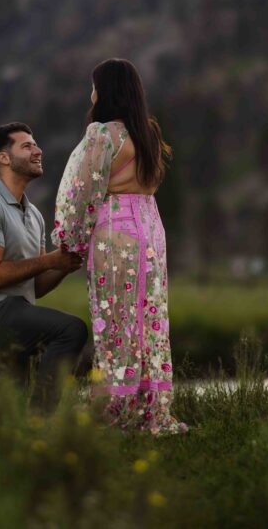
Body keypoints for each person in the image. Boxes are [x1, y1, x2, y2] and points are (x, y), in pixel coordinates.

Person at [52, 59, 188, 435]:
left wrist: (70, 238)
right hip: (150, 229)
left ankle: (113, 409)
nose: (91, 93)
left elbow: (83, 190)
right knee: (148, 320)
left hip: (117, 232)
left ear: (106, 90)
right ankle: (152, 409)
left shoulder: (102, 134)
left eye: (94, 86)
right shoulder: (147, 133)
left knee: (116, 324)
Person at [0, 122, 88, 411]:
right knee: (71, 330)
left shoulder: (35, 215)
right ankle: (40, 419)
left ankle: (28, 428)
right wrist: (50, 260)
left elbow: (36, 286)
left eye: (36, 144)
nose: (38, 150)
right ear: (4, 158)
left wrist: (64, 265)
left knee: (7, 411)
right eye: (27, 146)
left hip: (18, 312)